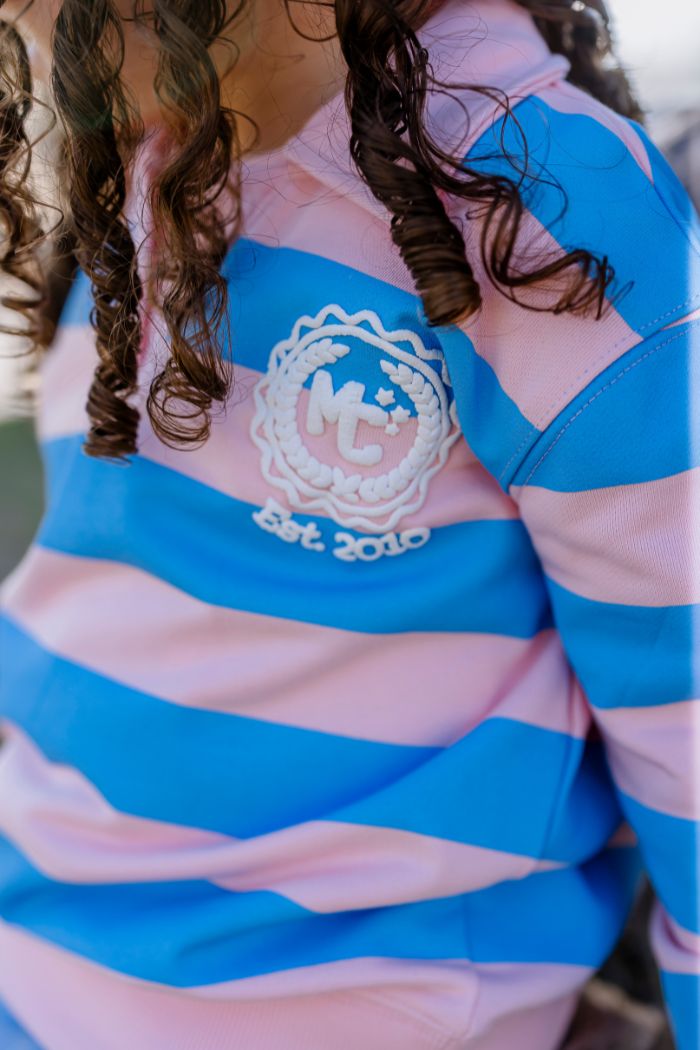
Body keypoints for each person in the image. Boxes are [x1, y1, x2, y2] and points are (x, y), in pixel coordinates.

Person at [0, 1, 697, 1048]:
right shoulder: (157, 160)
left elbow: (682, 695)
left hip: (348, 1007)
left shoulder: (536, 203)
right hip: (43, 957)